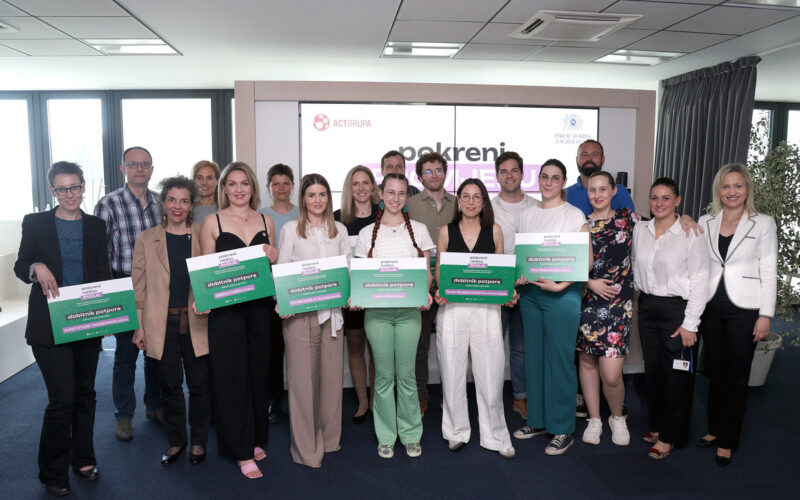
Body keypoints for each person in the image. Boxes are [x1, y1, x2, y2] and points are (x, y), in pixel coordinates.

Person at [14, 161, 110, 497]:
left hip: (86, 320)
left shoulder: (97, 226)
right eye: (62, 189)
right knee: (62, 399)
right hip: (48, 325)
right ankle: (52, 471)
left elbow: (102, 272)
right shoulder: (35, 223)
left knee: (85, 394)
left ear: (84, 186)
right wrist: (36, 266)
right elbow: (20, 265)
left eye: (75, 187)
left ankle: (83, 458)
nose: (69, 194)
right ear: (53, 191)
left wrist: (109, 315)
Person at [199, 161, 279, 479]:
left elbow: (271, 267)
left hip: (260, 309)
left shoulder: (266, 220)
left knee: (258, 374)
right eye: (232, 184)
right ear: (224, 188)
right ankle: (240, 450)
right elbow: (206, 271)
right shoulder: (213, 221)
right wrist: (202, 299)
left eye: (244, 183)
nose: (239, 189)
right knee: (231, 377)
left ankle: (255, 437)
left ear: (252, 187)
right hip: (226, 312)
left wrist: (274, 258)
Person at [696, 163, 777, 467]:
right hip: (711, 306)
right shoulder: (705, 221)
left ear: (747, 189)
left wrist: (766, 314)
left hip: (746, 308)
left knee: (736, 375)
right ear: (719, 190)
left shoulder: (763, 223)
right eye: (726, 186)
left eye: (738, 186)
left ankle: (727, 440)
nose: (732, 192)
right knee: (715, 372)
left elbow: (768, 269)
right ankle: (715, 429)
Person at [132, 176, 212, 467]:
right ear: (163, 202)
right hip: (160, 324)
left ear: (192, 205)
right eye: (172, 200)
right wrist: (139, 327)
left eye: (184, 201)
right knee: (170, 385)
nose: (177, 206)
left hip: (197, 322)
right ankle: (177, 440)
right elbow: (138, 289)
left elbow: (214, 278)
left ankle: (199, 440)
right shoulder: (146, 239)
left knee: (200, 385)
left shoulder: (204, 236)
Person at [354, 173, 434, 459]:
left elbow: (426, 273)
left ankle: (411, 434)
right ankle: (386, 435)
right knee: (384, 377)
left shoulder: (419, 230)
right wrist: (357, 297)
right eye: (390, 192)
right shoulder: (366, 234)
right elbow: (359, 276)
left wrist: (426, 293)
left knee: (408, 377)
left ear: (406, 196)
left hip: (409, 314)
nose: (396, 198)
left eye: (401, 193)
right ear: (381, 193)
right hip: (377, 316)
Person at [434, 178, 516, 459]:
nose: (471, 202)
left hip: (487, 311)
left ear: (484, 201)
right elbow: (439, 271)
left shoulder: (495, 231)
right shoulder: (445, 231)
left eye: (477, 197)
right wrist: (441, 291)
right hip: (453, 310)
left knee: (491, 375)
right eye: (466, 196)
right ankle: (456, 432)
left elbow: (502, 273)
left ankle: (495, 435)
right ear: (458, 200)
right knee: (452, 373)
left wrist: (508, 292)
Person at [513, 159, 590, 456]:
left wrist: (560, 285)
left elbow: (587, 262)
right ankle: (537, 421)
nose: (548, 182)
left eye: (555, 178)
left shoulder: (574, 214)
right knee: (534, 358)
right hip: (531, 295)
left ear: (563, 182)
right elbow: (523, 257)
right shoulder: (526, 215)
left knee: (559, 360)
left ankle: (562, 428)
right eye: (544, 177)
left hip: (563, 294)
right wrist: (519, 275)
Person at [277, 173, 351, 468]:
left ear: (328, 198)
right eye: (312, 195)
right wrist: (283, 302)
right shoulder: (291, 230)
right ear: (303, 199)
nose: (318, 200)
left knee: (331, 381)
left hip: (332, 314)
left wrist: (349, 293)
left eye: (322, 194)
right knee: (303, 384)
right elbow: (282, 269)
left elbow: (348, 268)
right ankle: (307, 450)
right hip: (300, 316)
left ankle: (330, 440)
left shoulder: (340, 230)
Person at [633, 177, 709, 460]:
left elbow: (701, 281)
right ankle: (659, 425)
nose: (659, 203)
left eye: (666, 198)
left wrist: (690, 325)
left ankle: (671, 436)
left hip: (678, 311)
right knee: (653, 373)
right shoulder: (640, 229)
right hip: (647, 307)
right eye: (654, 197)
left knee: (677, 376)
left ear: (678, 201)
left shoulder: (691, 234)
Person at [94, 146, 162, 442]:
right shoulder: (108, 203)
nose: (139, 168)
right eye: (133, 164)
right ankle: (124, 415)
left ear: (151, 169)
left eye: (145, 164)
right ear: (123, 169)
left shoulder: (161, 203)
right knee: (125, 354)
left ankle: (155, 406)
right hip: (123, 283)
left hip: (158, 284)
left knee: (155, 351)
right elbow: (99, 252)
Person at [577, 172, 640, 447]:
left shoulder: (629, 219)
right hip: (588, 301)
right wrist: (589, 283)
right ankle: (595, 419)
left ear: (614, 191)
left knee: (612, 373)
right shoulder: (582, 225)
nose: (597, 195)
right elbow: (569, 265)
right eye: (592, 190)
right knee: (587, 362)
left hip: (618, 304)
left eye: (603, 189)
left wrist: (684, 218)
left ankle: (617, 417)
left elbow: (661, 226)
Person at [406, 152, 457, 416]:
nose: (434, 175)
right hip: (422, 282)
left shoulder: (459, 203)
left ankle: (452, 397)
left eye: (438, 170)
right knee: (420, 346)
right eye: (428, 171)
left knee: (452, 345)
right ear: (419, 177)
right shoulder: (409, 205)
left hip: (452, 282)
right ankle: (421, 395)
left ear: (445, 172)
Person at [333, 165, 380, 423]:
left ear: (372, 186)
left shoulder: (385, 215)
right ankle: (362, 403)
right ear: (349, 189)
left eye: (365, 183)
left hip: (377, 293)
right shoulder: (337, 219)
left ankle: (375, 402)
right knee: (355, 347)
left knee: (377, 350)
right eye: (355, 183)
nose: (361, 188)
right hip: (350, 296)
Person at [490, 151, 532, 420]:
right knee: (493, 345)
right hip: (498, 283)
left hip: (529, 285)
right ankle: (490, 401)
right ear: (496, 176)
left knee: (520, 346)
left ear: (522, 174)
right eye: (503, 171)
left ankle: (521, 397)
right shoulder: (488, 207)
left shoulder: (537, 206)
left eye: (514, 170)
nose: (509, 175)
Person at [258, 163, 299, 424]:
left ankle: (300, 401)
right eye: (276, 184)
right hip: (270, 295)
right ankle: (273, 400)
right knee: (272, 352)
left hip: (298, 292)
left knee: (298, 351)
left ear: (292, 186)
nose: (281, 188)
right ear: (268, 187)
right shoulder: (260, 216)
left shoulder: (303, 213)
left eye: (286, 183)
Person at [565, 139, 635, 216]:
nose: (589, 159)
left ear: (603, 159)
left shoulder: (620, 192)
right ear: (577, 159)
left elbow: (630, 221)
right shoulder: (565, 194)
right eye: (584, 154)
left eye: (594, 154)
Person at [191, 160, 220, 226]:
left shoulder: (225, 209)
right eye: (199, 178)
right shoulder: (186, 210)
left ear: (217, 181)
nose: (204, 182)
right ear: (194, 181)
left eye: (209, 178)